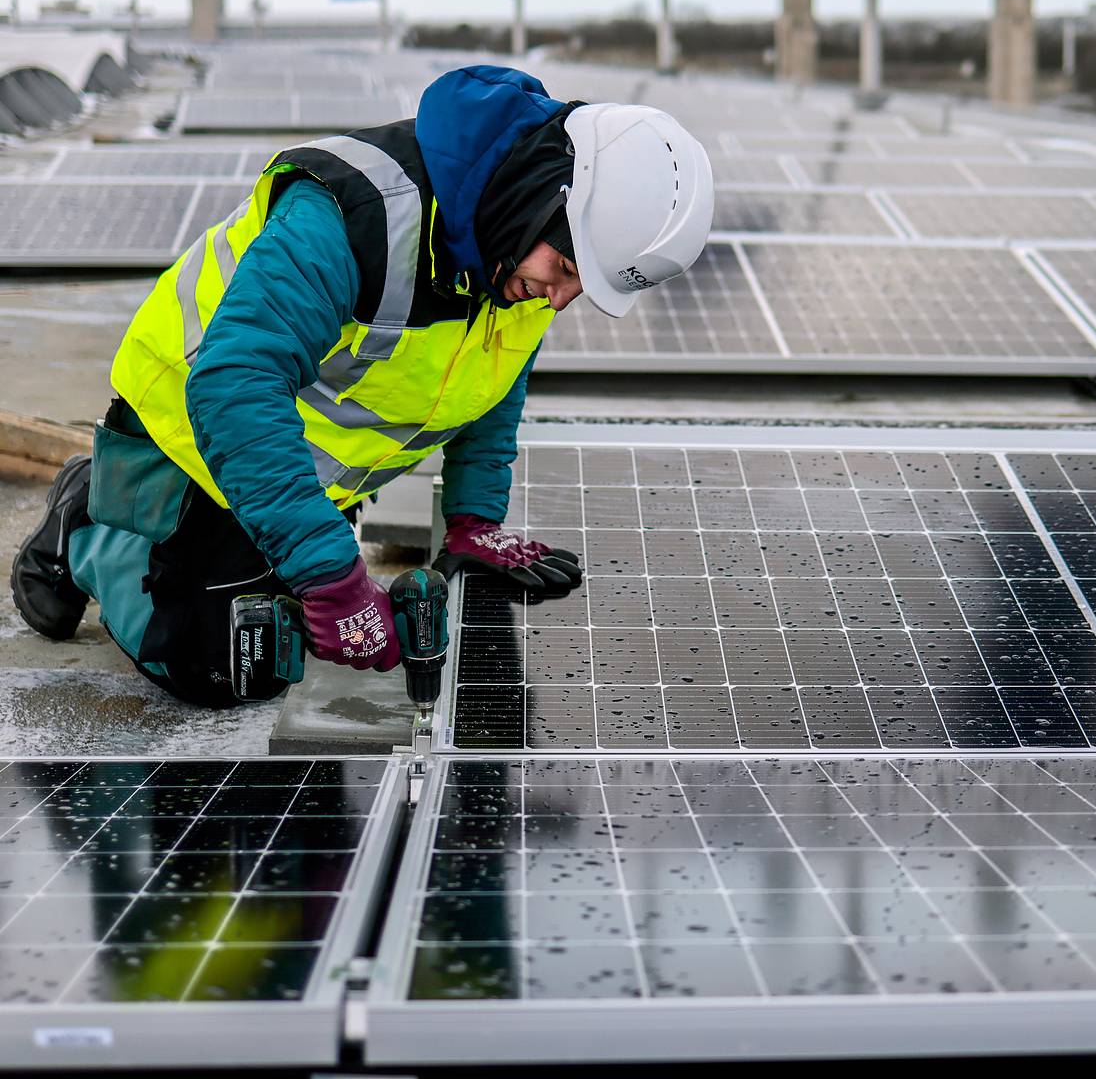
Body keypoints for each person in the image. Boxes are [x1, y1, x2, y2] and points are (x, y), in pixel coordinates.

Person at [10, 65, 714, 707]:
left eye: (579, 285)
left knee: (287, 634)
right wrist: (328, 574)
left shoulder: (514, 246)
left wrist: (475, 519)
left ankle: (275, 546)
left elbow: (497, 377)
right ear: (541, 194)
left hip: (295, 472)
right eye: (563, 267)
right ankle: (87, 523)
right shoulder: (355, 214)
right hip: (191, 438)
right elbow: (235, 384)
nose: (558, 298)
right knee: (224, 670)